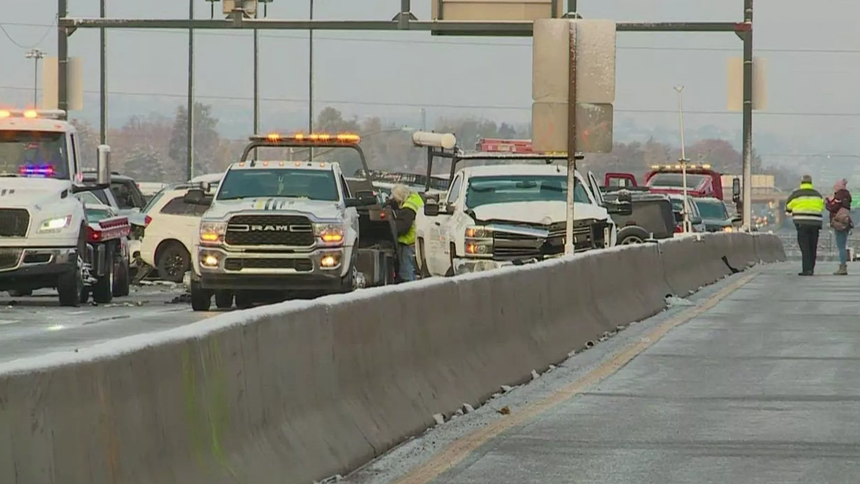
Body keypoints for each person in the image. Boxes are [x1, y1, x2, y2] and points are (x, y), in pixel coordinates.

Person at [785, 174, 825, 276]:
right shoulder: (817, 195)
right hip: (815, 223)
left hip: (802, 223)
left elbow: (788, 207)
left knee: (805, 247)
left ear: (801, 182)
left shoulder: (796, 194)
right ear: (811, 182)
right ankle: (811, 268)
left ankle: (806, 269)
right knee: (813, 246)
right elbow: (822, 207)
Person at [389, 184, 424, 282]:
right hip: (415, 242)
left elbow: (402, 227)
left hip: (408, 243)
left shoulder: (408, 208)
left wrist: (391, 230)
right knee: (412, 271)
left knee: (406, 273)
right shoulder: (415, 199)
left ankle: (410, 294)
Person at [826, 178, 853, 275]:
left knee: (841, 245)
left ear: (839, 187)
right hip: (845, 223)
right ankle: (843, 265)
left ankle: (842, 267)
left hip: (839, 223)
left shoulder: (839, 195)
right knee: (842, 244)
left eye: (836, 186)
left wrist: (827, 202)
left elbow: (832, 207)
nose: (834, 187)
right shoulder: (847, 196)